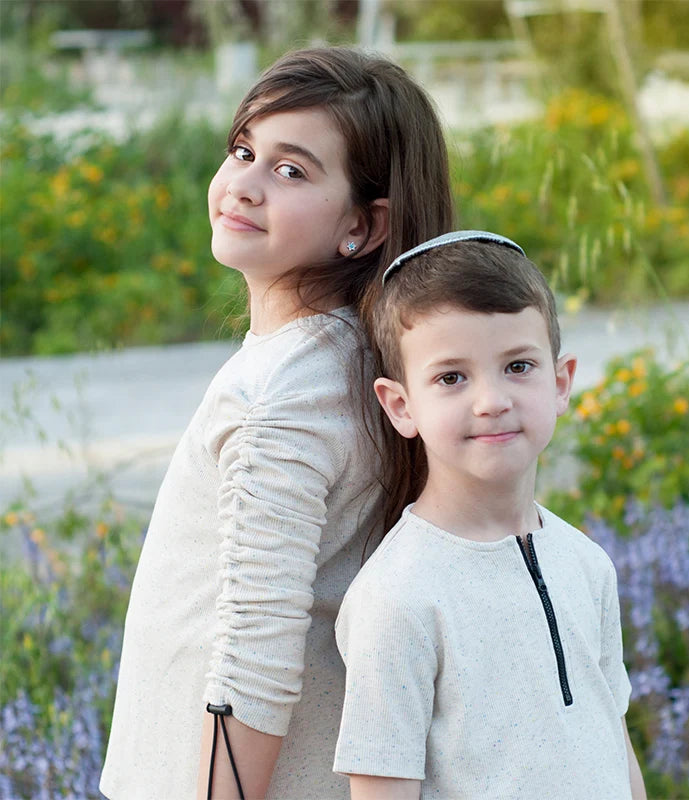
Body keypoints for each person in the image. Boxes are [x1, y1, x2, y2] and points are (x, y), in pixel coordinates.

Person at [100, 47, 453, 800]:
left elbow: (253, 659)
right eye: (243, 150)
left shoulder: (280, 394)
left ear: (363, 225)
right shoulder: (365, 362)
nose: (245, 185)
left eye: (291, 171)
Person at [333, 231, 648, 800]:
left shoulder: (586, 563)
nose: (491, 400)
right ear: (401, 406)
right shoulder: (397, 596)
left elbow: (612, 742)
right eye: (451, 377)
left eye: (518, 366)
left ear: (560, 383)